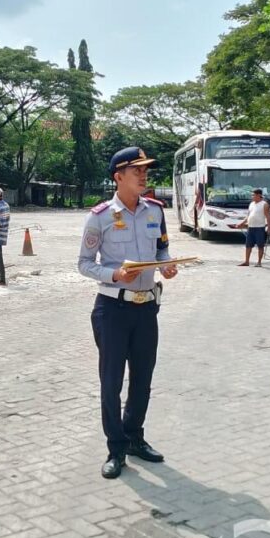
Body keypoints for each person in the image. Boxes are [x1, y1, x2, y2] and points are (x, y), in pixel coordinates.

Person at [78, 147, 178, 479]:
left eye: (145, 169)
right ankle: (116, 448)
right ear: (118, 177)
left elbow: (161, 247)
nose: (143, 175)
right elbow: (84, 264)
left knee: (143, 379)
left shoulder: (155, 211)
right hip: (112, 309)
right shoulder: (101, 216)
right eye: (136, 170)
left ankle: (135, 437)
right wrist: (114, 275)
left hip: (146, 308)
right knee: (111, 382)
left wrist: (167, 265)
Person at [236, 188, 270, 267]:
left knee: (260, 245)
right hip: (250, 227)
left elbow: (268, 217)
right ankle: (246, 262)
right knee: (248, 245)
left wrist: (269, 227)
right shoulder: (251, 204)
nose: (252, 196)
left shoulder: (264, 204)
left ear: (259, 195)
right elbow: (248, 216)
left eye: (253, 195)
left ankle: (259, 262)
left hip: (260, 228)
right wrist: (241, 224)